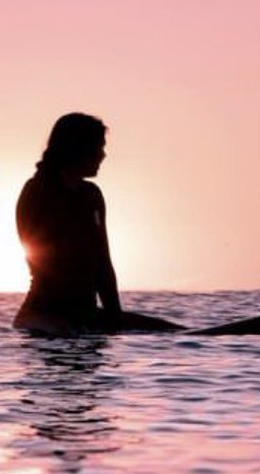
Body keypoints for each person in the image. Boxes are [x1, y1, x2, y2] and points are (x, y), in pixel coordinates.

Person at [14, 114, 181, 335]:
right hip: (43, 314)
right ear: (77, 148)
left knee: (174, 333)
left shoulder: (92, 195)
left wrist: (116, 319)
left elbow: (103, 263)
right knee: (70, 337)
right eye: (98, 147)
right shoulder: (37, 192)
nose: (103, 155)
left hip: (86, 313)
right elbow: (43, 260)